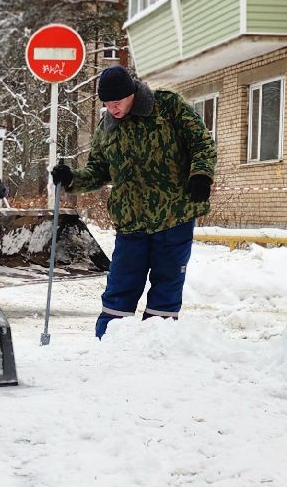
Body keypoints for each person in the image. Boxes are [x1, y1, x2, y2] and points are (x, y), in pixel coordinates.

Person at [50, 65, 215, 338]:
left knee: (167, 285)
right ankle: (109, 343)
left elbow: (201, 143)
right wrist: (71, 179)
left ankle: (158, 343)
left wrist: (201, 175)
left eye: (117, 102)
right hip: (131, 220)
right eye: (107, 104)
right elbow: (98, 171)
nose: (112, 109)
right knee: (121, 286)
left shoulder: (168, 107)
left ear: (132, 94)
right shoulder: (108, 127)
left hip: (174, 214)